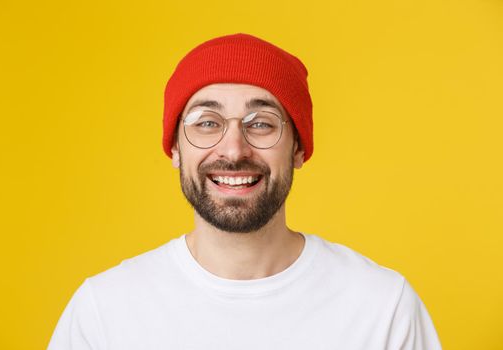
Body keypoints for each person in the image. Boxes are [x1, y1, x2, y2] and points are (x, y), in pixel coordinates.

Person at [48, 33, 442, 350]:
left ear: (299, 148)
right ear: (174, 148)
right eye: (206, 122)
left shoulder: (383, 307)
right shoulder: (104, 310)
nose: (234, 149)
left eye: (262, 123)